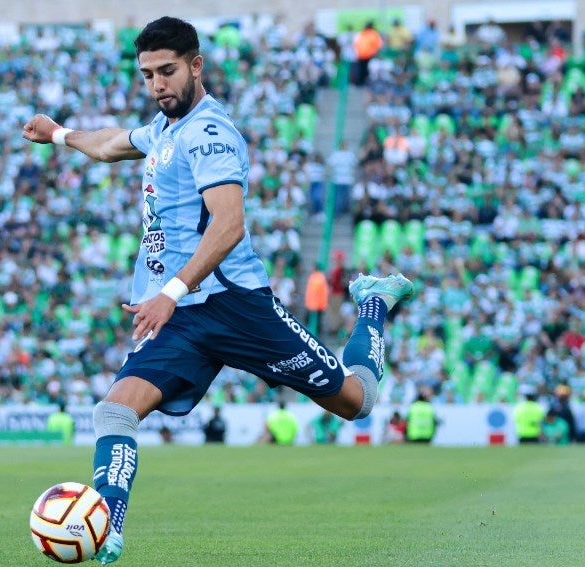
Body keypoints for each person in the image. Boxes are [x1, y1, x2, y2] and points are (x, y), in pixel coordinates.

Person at [21, 16, 416, 564]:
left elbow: (228, 225)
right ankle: (106, 526)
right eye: (148, 75)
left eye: (168, 71)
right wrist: (60, 135)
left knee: (357, 402)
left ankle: (373, 302)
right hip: (181, 317)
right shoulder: (162, 131)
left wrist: (171, 290)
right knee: (113, 412)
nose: (158, 84)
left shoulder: (210, 132)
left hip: (233, 306)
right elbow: (112, 144)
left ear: (196, 65)